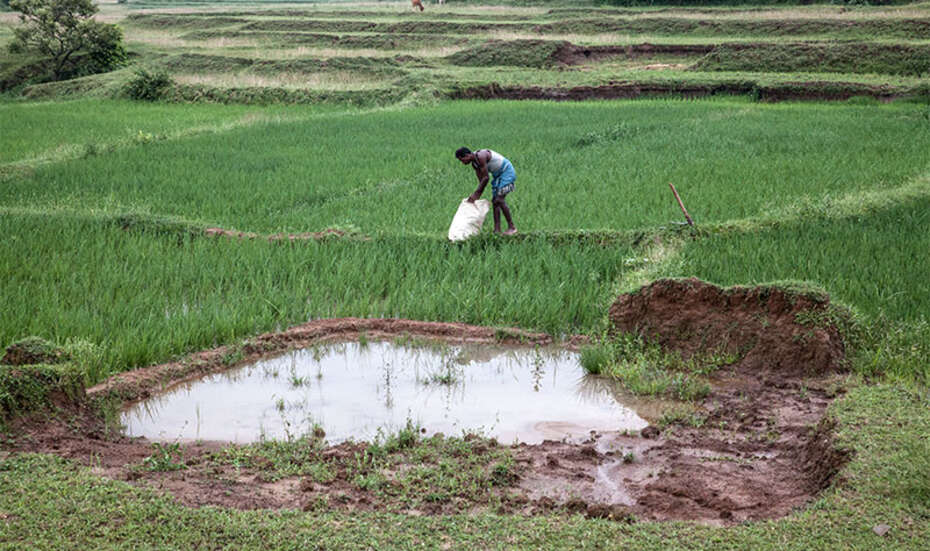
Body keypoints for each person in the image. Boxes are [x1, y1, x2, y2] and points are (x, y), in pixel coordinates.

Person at [455, 147, 517, 235]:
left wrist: (476, 194)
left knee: (499, 200)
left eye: (462, 160)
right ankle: (497, 230)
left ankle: (512, 227)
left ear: (467, 155)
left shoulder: (481, 156)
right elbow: (482, 181)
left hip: (507, 172)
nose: (463, 163)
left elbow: (486, 178)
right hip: (498, 176)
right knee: (495, 202)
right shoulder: (475, 165)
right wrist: (475, 196)